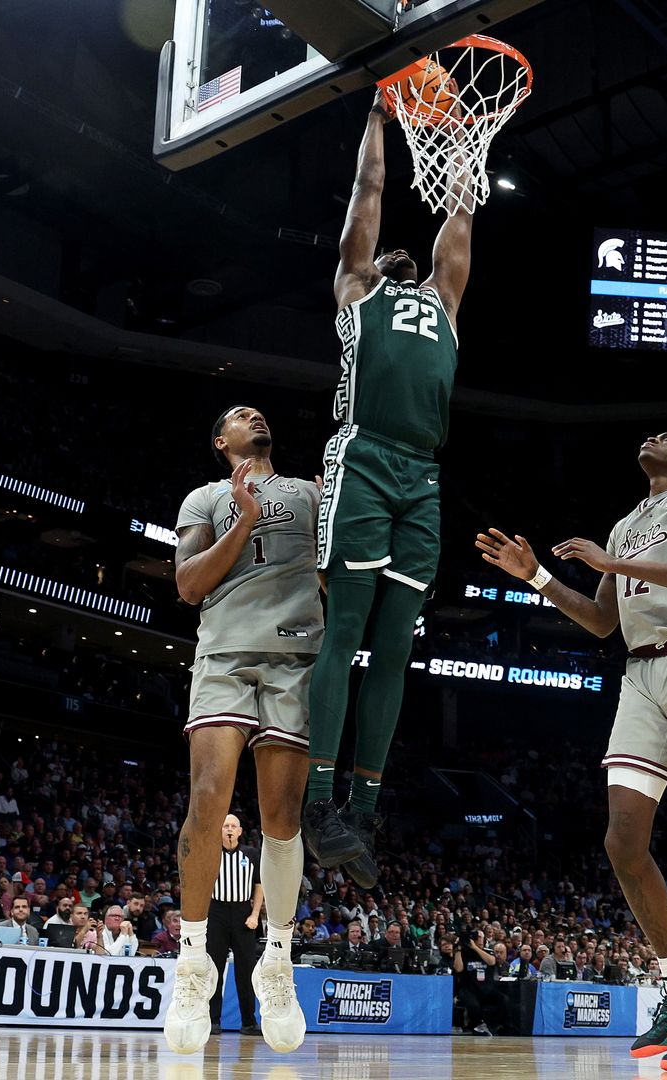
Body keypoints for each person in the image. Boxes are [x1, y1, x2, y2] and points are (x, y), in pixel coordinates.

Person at [477, 426, 667, 1069]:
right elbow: (603, 620)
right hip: (641, 674)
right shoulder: (627, 521)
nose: (657, 434)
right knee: (622, 841)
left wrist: (613, 564)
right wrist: (538, 575)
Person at [303, 94, 473, 895]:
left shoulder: (444, 302)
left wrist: (466, 153)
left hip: (423, 475)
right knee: (346, 628)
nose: (399, 256)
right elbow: (369, 196)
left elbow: (460, 234)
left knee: (398, 647)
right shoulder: (357, 290)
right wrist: (379, 122)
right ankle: (317, 801)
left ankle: (362, 812)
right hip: (365, 455)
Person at [164, 405, 320, 1055]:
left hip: (294, 656)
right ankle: (193, 963)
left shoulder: (313, 492)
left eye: (257, 412)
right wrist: (244, 523)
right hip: (225, 654)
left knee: (282, 817)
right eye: (235, 415)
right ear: (218, 439)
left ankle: (277, 961)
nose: (251, 414)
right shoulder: (204, 498)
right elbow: (189, 584)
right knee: (208, 798)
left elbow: (338, 574)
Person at [200, 815, 267, 1038]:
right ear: (220, 831)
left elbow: (259, 885)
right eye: (225, 826)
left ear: (240, 831)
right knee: (214, 969)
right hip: (216, 912)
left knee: (246, 970)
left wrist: (255, 914)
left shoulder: (251, 854)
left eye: (233, 826)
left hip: (242, 914)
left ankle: (249, 1022)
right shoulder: (211, 853)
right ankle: (212, 1020)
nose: (229, 829)